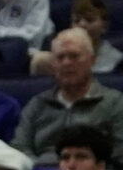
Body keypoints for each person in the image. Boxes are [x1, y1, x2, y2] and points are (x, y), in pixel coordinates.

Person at [15, 28, 123, 158]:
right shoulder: (37, 104)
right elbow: (19, 148)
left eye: (74, 56)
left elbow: (119, 155)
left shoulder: (114, 103)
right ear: (53, 64)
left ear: (92, 60)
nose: (66, 63)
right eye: (60, 57)